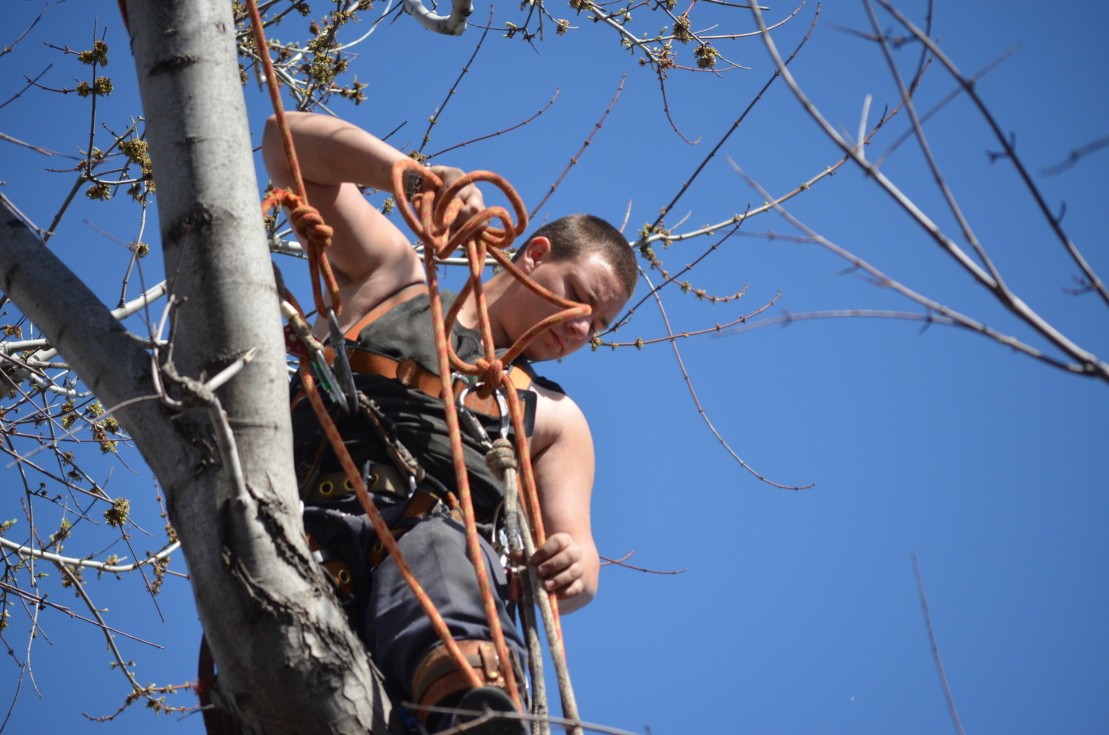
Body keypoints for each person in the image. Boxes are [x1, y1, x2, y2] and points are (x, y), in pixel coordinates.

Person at [263, 112, 636, 734]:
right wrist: (410, 178)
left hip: (441, 575)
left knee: (443, 544)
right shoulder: (396, 282)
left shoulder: (555, 418)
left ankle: (472, 709)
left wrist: (575, 568)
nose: (580, 330)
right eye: (578, 299)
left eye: (597, 327)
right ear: (534, 254)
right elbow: (284, 144)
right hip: (308, 531)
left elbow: (581, 562)